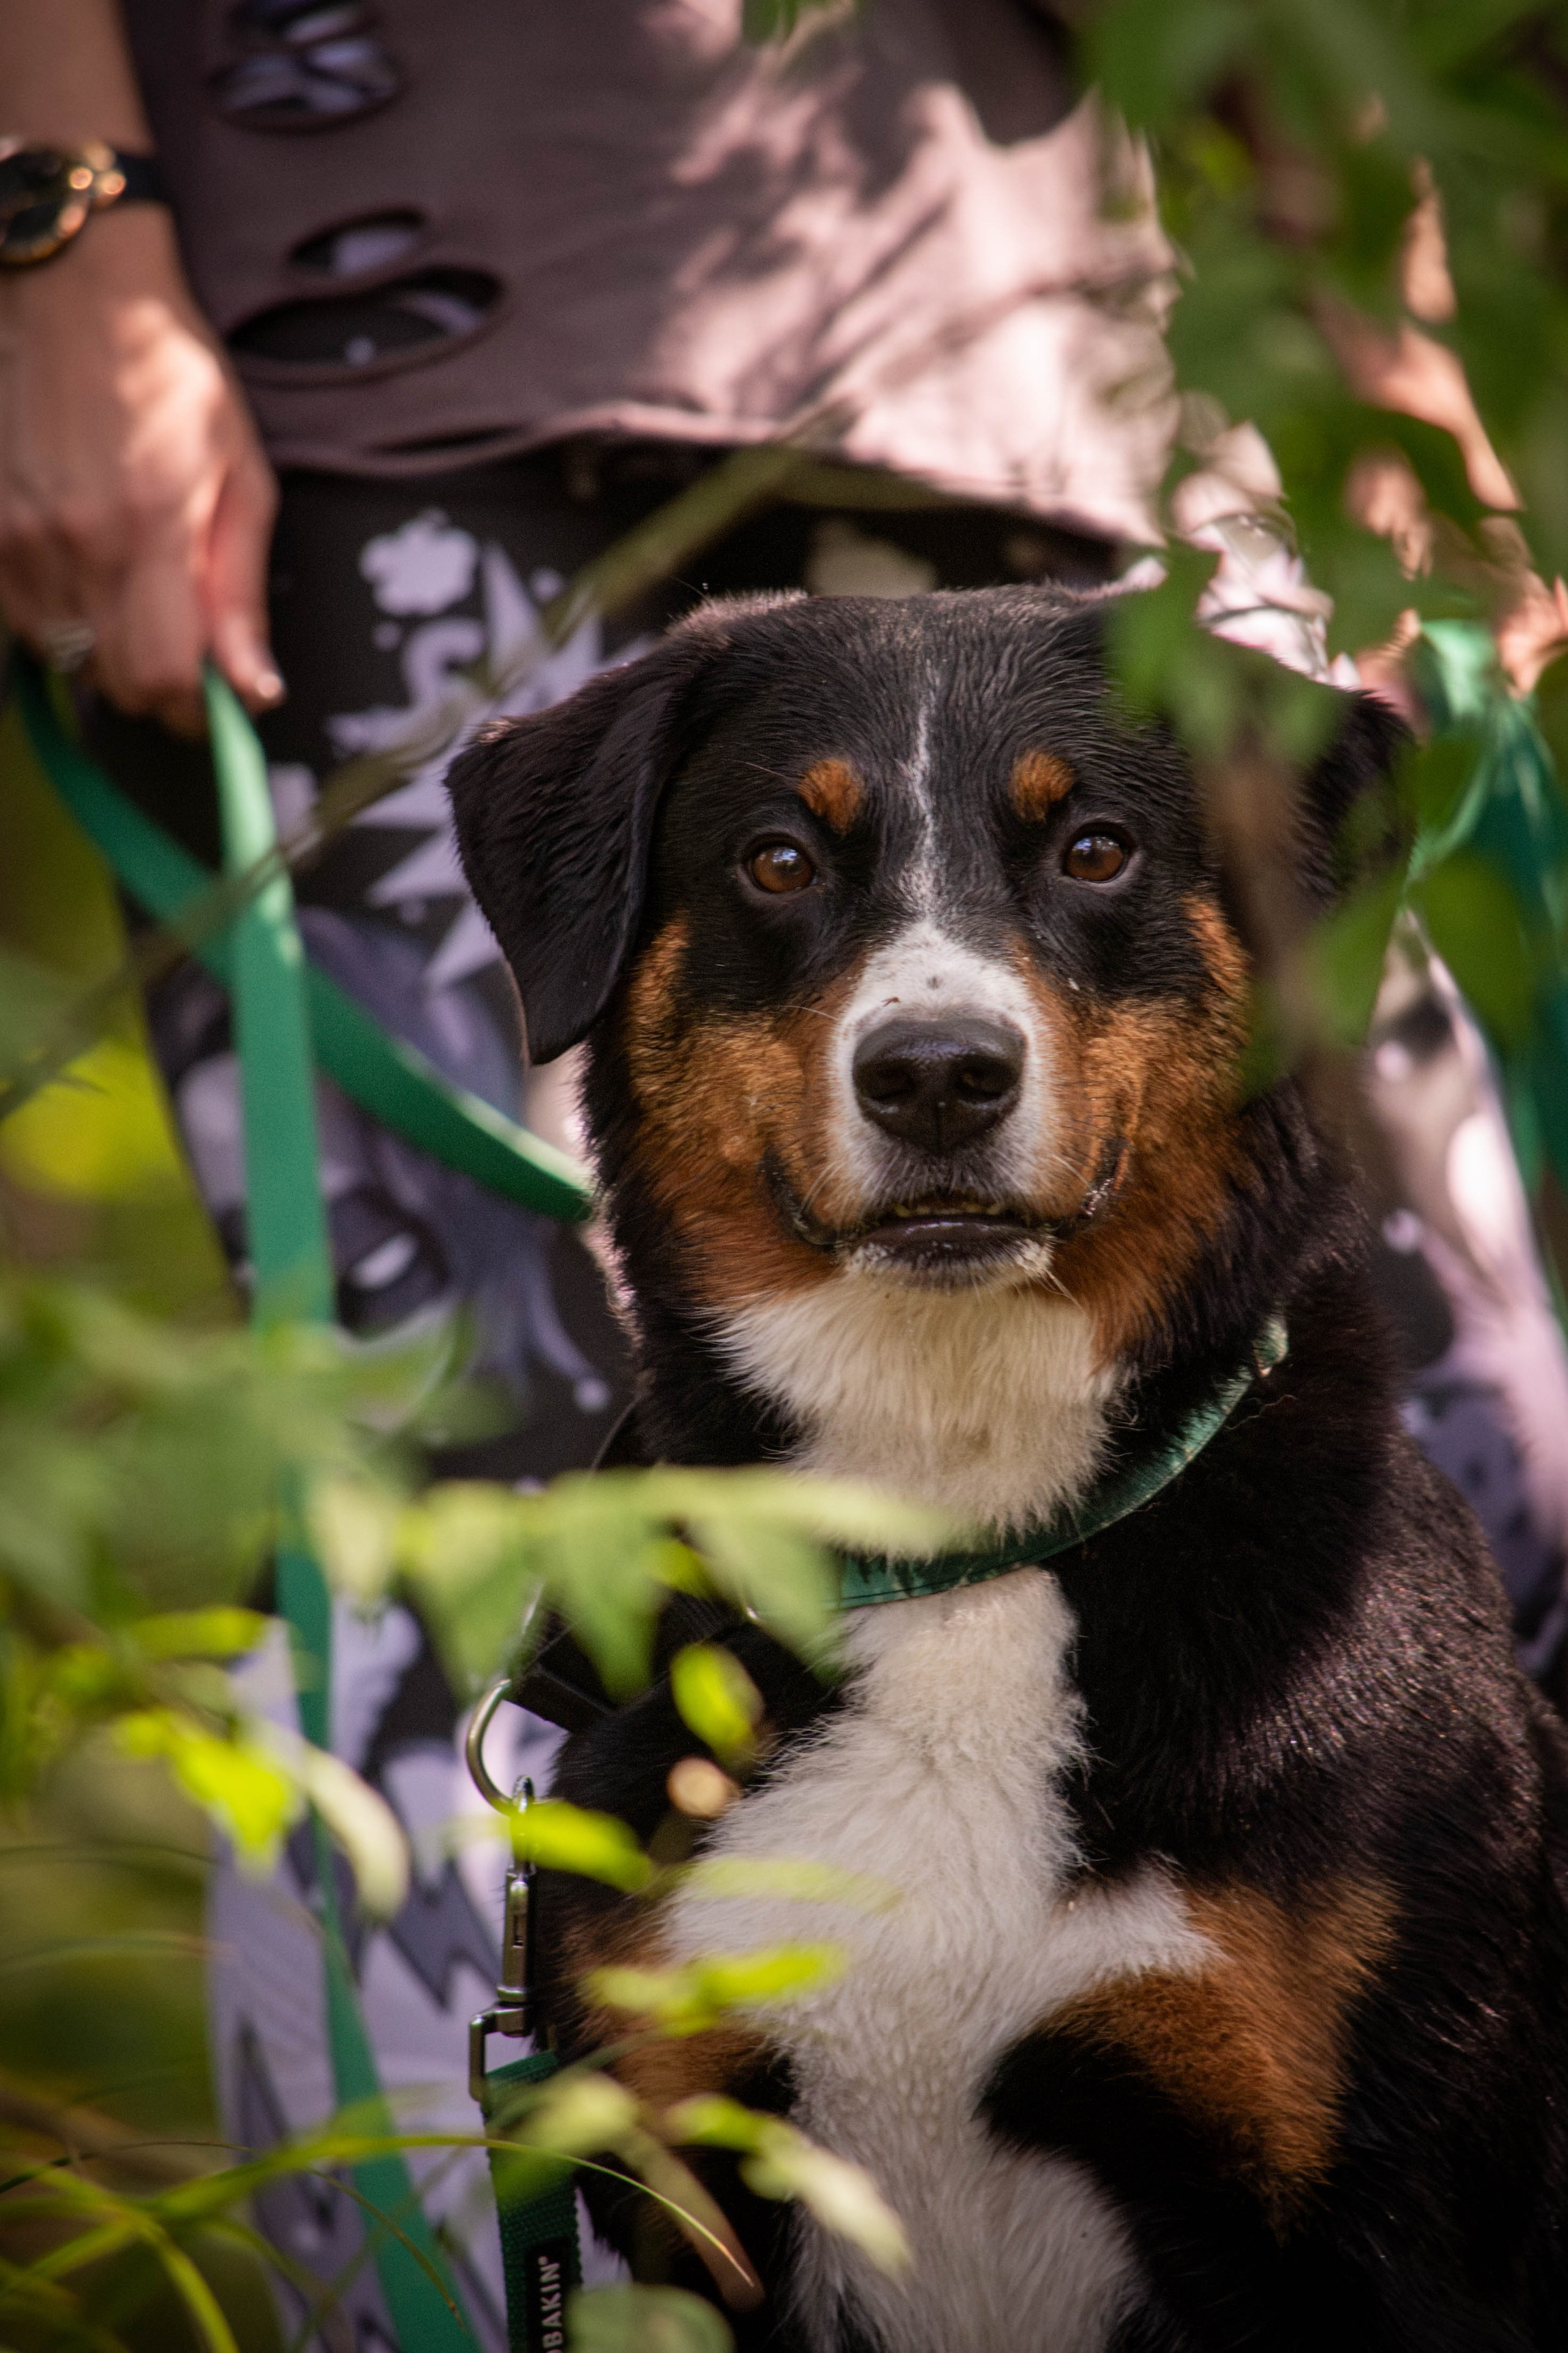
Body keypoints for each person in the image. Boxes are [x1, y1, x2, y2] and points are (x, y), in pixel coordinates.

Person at [3, 6, 1567, 2341]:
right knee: (444, 1583)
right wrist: (51, 220)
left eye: (1096, 873)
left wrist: (1377, 265)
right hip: (379, 325)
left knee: (1502, 1495)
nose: (932, 1026)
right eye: (780, 887)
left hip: (1073, 327)